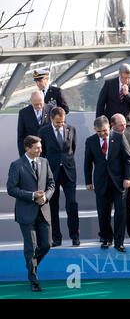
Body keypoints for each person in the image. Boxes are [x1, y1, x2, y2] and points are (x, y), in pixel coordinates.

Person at [7, 135, 55, 292]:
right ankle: (34, 280)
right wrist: (32, 195)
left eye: (40, 147)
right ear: (27, 148)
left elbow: (51, 184)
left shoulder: (45, 162)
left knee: (46, 244)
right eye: (37, 147)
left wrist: (45, 197)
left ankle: (31, 265)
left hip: (43, 211)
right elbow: (11, 189)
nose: (40, 150)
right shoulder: (16, 165)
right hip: (26, 213)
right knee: (31, 247)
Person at [84, 115, 130, 252]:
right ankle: (106, 239)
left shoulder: (118, 137)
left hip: (119, 183)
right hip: (101, 183)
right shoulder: (91, 141)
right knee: (103, 213)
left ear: (109, 127)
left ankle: (119, 242)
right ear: (95, 129)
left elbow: (127, 159)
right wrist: (88, 181)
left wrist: (127, 177)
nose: (102, 134)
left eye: (105, 131)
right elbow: (87, 163)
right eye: (99, 132)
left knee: (120, 213)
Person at [38, 107, 79, 247]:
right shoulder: (43, 131)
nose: (60, 124)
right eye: (57, 122)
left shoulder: (71, 129)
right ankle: (56, 237)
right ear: (51, 119)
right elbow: (41, 153)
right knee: (53, 206)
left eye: (62, 122)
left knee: (72, 204)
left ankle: (75, 236)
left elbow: (72, 149)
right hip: (51, 173)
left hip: (68, 172)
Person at [111, 113, 130, 244]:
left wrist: (126, 176)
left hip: (127, 178)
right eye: (120, 125)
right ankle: (108, 237)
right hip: (111, 178)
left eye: (125, 124)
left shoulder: (129, 135)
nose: (124, 127)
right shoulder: (108, 135)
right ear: (112, 125)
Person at [96, 63, 130, 129]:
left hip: (126, 124)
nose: (127, 80)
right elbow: (101, 104)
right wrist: (99, 123)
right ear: (119, 74)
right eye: (125, 78)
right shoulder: (109, 84)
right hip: (111, 121)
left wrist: (127, 95)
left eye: (129, 78)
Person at [17, 91, 51, 156]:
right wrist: (23, 156)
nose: (38, 106)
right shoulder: (23, 113)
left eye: (41, 103)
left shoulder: (51, 110)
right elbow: (21, 136)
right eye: (36, 104)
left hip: (48, 152)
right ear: (30, 101)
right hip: (31, 151)